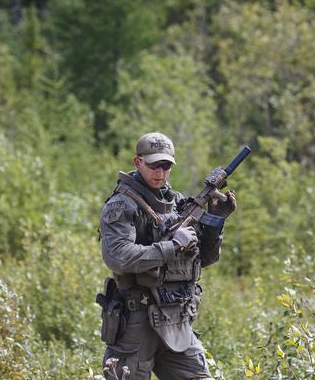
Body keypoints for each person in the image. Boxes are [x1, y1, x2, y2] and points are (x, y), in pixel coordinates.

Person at [98, 132, 236, 380]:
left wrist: (216, 223)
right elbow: (118, 256)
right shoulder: (122, 205)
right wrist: (171, 246)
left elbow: (204, 258)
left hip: (176, 320)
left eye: (166, 165)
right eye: (153, 165)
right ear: (137, 162)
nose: (159, 172)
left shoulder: (179, 204)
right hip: (136, 324)